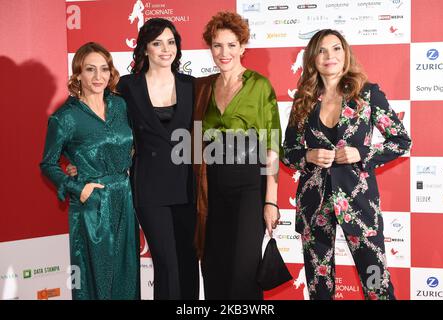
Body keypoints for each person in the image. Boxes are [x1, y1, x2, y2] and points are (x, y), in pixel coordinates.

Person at [282, 29, 411, 300]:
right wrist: (308, 156)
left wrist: (361, 153)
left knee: (377, 286)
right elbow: (288, 152)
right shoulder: (303, 99)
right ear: (312, 58)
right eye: (322, 50)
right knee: (319, 290)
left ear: (346, 53)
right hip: (313, 206)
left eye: (336, 48)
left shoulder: (367, 94)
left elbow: (401, 140)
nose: (330, 56)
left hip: (359, 205)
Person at [193, 11, 282, 300]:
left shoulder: (259, 85)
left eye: (231, 45)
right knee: (214, 267)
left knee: (243, 272)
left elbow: (272, 146)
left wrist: (271, 200)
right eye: (217, 45)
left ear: (243, 47)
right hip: (212, 190)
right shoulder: (203, 87)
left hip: (248, 186)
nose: (224, 52)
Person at [40, 42, 140, 300]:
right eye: (90, 70)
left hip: (124, 198)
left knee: (126, 275)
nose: (98, 77)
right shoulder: (65, 117)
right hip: (92, 204)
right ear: (78, 74)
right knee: (95, 278)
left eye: (104, 69)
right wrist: (77, 188)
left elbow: (129, 143)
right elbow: (48, 163)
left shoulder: (120, 106)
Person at [117, 18, 199, 300]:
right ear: (144, 49)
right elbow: (109, 127)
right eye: (157, 43)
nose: (166, 49)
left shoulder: (192, 85)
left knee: (188, 261)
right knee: (166, 263)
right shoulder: (127, 87)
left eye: (171, 42)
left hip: (187, 186)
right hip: (150, 188)